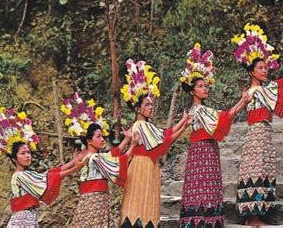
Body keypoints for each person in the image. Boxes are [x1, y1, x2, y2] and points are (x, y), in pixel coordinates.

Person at [232, 23, 283, 225]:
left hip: (264, 132)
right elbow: (278, 91)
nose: (265, 70)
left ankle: (258, 214)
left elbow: (276, 88)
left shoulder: (263, 89)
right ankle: (252, 218)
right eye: (260, 68)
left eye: (266, 67)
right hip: (257, 133)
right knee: (256, 169)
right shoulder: (255, 92)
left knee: (263, 168)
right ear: (251, 72)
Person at [179, 43, 251, 228]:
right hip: (202, 151)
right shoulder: (198, 110)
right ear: (192, 90)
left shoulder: (199, 110)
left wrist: (241, 103)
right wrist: (242, 102)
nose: (205, 89)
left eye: (205, 86)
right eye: (200, 86)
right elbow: (222, 117)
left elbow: (221, 116)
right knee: (202, 187)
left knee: (204, 186)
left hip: (207, 150)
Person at [0, 107, 86, 227]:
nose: (28, 156)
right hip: (22, 220)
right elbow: (47, 179)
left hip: (29, 218)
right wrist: (75, 168)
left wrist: (73, 162)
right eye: (23, 153)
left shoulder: (25, 174)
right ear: (13, 158)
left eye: (28, 152)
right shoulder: (19, 176)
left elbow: (48, 174)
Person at [119, 59, 190, 227]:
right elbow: (166, 140)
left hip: (147, 167)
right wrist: (184, 125)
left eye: (151, 104)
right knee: (140, 203)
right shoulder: (140, 125)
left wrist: (183, 122)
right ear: (138, 108)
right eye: (147, 104)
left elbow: (165, 134)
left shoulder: (146, 125)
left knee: (145, 201)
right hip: (141, 167)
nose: (151, 107)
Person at [61, 92, 135, 227]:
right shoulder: (94, 158)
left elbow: (113, 154)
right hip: (95, 202)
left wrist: (127, 139)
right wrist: (133, 145)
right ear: (89, 140)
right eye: (98, 137)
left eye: (102, 136)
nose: (102, 139)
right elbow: (118, 161)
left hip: (89, 201)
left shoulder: (85, 155)